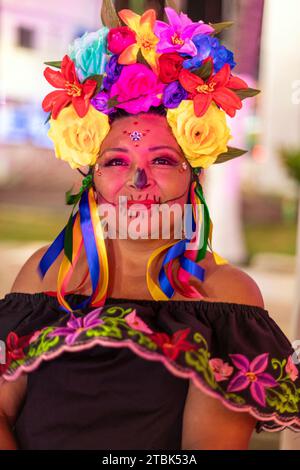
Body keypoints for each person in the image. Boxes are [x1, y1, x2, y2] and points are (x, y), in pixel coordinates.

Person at [0, 2, 300, 450]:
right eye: (116, 161)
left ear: (193, 174)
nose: (138, 181)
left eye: (162, 160)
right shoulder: (47, 274)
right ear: (91, 177)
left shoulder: (224, 297)